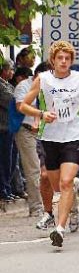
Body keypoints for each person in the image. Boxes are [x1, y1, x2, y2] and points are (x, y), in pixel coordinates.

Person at [19, 41, 79, 248]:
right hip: (49, 137)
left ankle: (59, 228)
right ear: (53, 60)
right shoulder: (43, 79)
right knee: (57, 184)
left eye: (67, 58)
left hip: (74, 136)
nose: (64, 62)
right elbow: (22, 105)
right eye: (60, 58)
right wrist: (41, 114)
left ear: (71, 61)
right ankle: (71, 195)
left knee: (65, 182)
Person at [13, 65, 43, 215]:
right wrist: (39, 114)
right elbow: (20, 107)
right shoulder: (23, 86)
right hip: (26, 131)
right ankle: (36, 207)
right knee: (33, 169)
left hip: (45, 133)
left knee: (47, 170)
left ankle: (45, 203)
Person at [0, 60, 17, 203]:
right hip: (2, 129)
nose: (13, 72)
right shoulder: (1, 86)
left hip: (9, 128)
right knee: (4, 160)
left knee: (10, 160)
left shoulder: (8, 85)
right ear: (5, 70)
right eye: (11, 69)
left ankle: (7, 188)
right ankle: (4, 190)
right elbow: (13, 102)